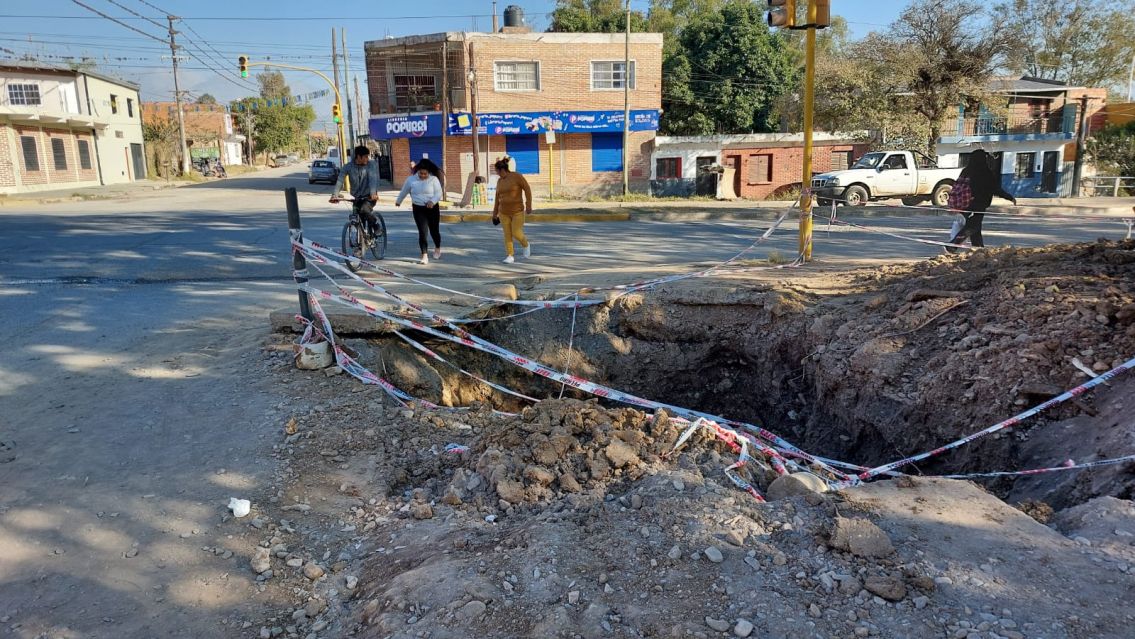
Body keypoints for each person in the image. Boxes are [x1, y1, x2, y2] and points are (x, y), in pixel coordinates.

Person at [946, 149, 1016, 252]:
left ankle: (979, 249)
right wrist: (1010, 197)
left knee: (975, 228)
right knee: (972, 227)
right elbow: (995, 189)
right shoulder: (985, 172)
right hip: (978, 205)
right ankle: (951, 246)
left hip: (964, 203)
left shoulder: (966, 170)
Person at [395, 162, 444, 265]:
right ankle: (424, 255)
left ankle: (437, 248)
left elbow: (438, 193)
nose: (423, 176)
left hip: (432, 208)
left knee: (434, 230)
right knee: (423, 232)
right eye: (421, 173)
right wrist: (399, 201)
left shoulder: (434, 180)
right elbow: (404, 191)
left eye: (425, 174)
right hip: (418, 208)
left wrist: (433, 201)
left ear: (429, 173)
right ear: (417, 172)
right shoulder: (411, 180)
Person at [329, 145, 380, 236]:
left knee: (365, 209)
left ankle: (376, 225)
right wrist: (335, 195)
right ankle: (361, 245)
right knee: (356, 217)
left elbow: (373, 179)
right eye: (365, 157)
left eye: (367, 157)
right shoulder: (348, 167)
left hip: (369, 196)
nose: (367, 159)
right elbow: (340, 180)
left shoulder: (371, 164)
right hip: (357, 197)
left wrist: (373, 193)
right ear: (358, 157)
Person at [491, 157, 532, 264]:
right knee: (507, 234)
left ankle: (526, 244)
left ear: (501, 170)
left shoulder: (516, 176)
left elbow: (527, 188)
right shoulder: (499, 181)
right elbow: (497, 198)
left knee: (516, 232)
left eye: (496, 171)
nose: (496, 173)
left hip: (517, 211)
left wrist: (528, 204)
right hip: (503, 212)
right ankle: (510, 255)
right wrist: (495, 214)